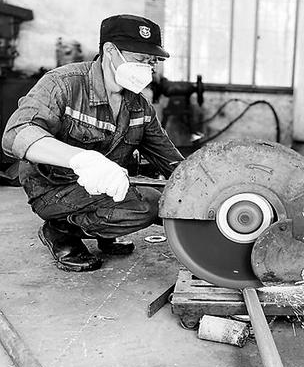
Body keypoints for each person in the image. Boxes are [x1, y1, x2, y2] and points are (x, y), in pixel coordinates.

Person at [2, 14, 184, 272]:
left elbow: (172, 162)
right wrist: (81, 160)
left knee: (168, 201)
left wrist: (205, 191)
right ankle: (61, 229)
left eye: (152, 61)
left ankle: (102, 230)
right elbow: (16, 133)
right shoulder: (63, 84)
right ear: (110, 51)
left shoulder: (139, 106)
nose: (148, 68)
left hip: (103, 190)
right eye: (140, 59)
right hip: (53, 187)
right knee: (148, 205)